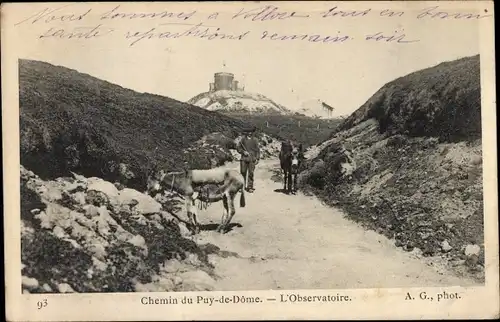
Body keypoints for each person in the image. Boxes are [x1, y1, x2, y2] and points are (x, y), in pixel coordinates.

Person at [237, 127, 260, 193]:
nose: (250, 133)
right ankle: (242, 187)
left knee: (251, 173)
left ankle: (250, 187)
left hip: (252, 159)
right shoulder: (243, 140)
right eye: (249, 132)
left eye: (251, 132)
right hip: (244, 159)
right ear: (247, 133)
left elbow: (258, 150)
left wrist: (257, 158)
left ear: (252, 133)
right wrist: (243, 152)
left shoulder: (255, 140)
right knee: (243, 172)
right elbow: (238, 148)